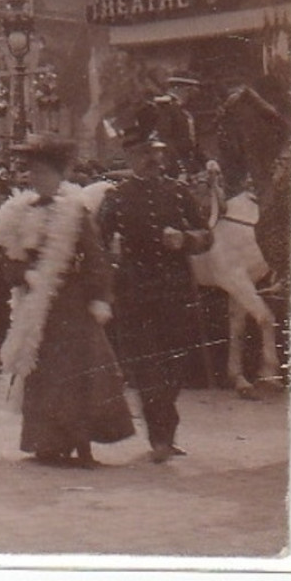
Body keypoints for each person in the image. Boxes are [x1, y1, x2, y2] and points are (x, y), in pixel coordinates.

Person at [0, 137, 135, 467]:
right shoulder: (18, 213)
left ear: (59, 176)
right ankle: (48, 443)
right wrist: (23, 273)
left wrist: (100, 297)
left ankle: (83, 444)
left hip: (72, 303)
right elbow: (8, 260)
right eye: (32, 173)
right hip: (38, 307)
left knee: (80, 373)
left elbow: (97, 258)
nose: (36, 179)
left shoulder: (75, 212)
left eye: (43, 173)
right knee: (44, 375)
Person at [99, 124, 214, 463]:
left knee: (175, 368)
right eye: (145, 154)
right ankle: (160, 439)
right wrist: (113, 255)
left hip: (176, 295)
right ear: (131, 157)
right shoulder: (116, 198)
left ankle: (166, 431)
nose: (153, 159)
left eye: (157, 152)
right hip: (136, 297)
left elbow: (207, 236)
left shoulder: (179, 194)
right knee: (148, 370)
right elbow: (97, 243)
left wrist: (186, 239)